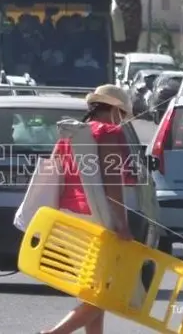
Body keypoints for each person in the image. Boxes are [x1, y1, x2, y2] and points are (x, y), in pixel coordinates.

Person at [37, 84, 134, 334]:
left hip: (68, 219)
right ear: (114, 110)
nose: (122, 120)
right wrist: (122, 224)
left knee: (94, 290)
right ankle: (54, 333)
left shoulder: (70, 134)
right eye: (122, 114)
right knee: (106, 294)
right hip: (96, 217)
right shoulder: (110, 133)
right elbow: (112, 184)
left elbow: (56, 174)